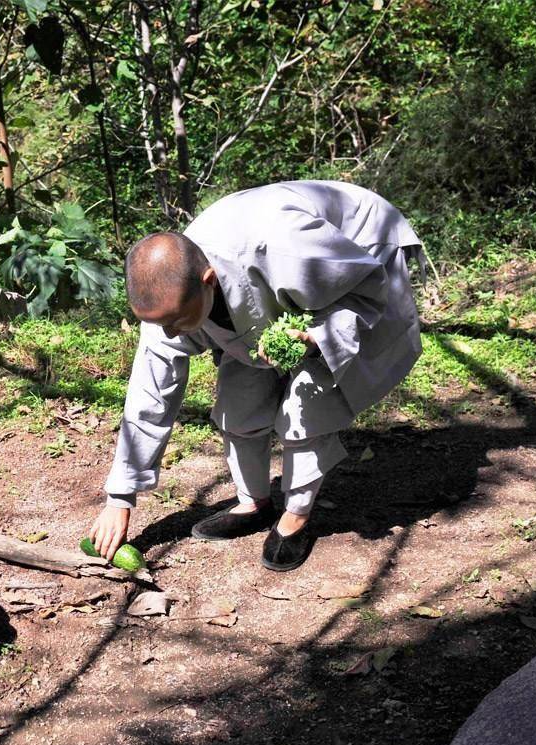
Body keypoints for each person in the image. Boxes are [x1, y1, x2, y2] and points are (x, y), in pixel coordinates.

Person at [85, 179, 425, 571]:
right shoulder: (167, 300)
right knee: (238, 403)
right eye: (161, 324)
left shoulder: (281, 244)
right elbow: (150, 398)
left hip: (357, 257)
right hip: (274, 286)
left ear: (208, 281)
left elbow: (366, 288)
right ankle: (254, 503)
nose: (172, 334)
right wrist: (120, 497)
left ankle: (296, 516)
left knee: (306, 407)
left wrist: (317, 335)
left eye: (178, 321)